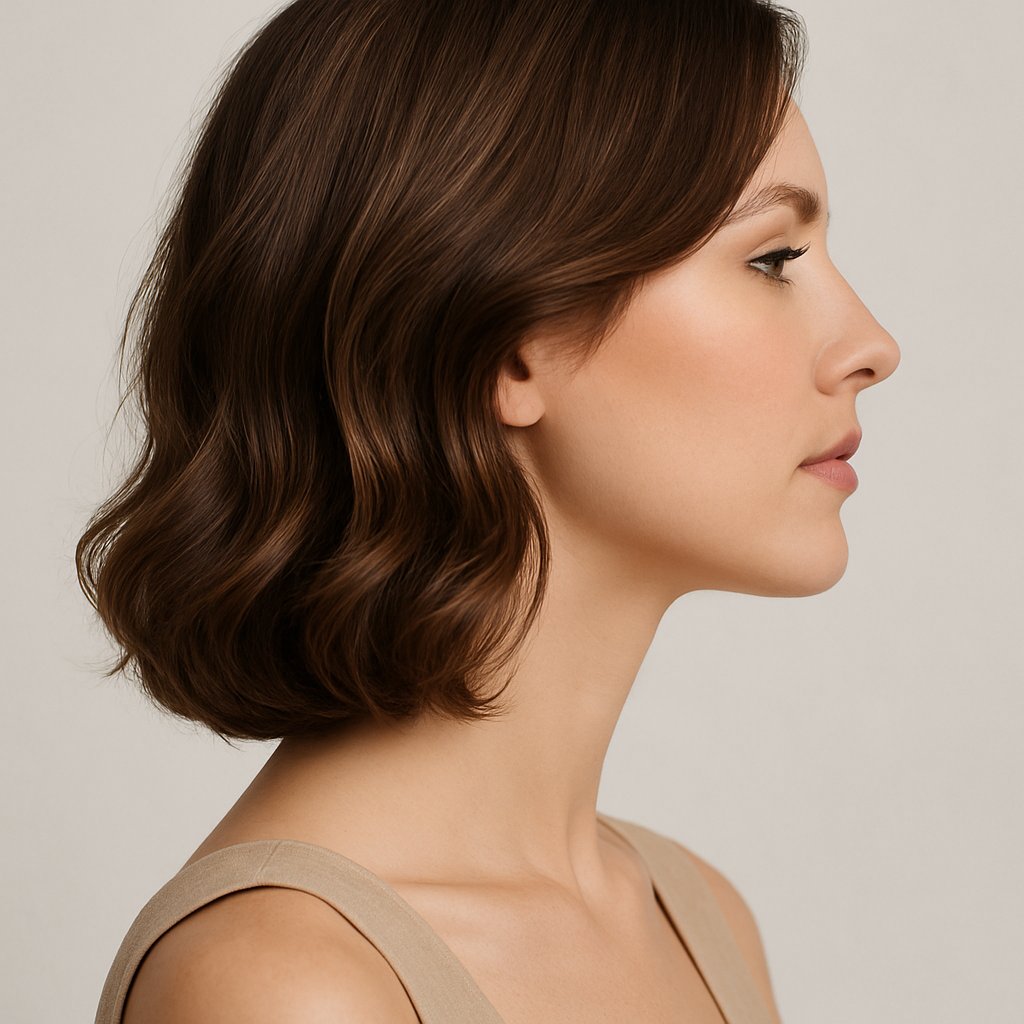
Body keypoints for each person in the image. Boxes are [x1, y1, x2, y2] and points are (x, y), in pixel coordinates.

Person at [80, 0, 900, 1021]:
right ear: (505, 339)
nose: (870, 343)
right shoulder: (290, 988)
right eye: (771, 258)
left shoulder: (698, 919)